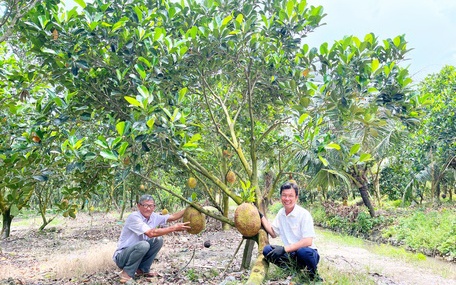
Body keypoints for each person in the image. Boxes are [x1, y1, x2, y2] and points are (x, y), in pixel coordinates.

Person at [113, 194, 191, 283]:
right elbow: (151, 233)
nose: (148, 208)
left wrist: (189, 208)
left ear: (154, 207)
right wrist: (174, 228)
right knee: (144, 245)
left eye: (151, 206)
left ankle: (142, 270)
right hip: (122, 257)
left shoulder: (153, 216)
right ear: (139, 206)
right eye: (145, 205)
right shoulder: (134, 217)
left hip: (138, 254)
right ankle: (126, 272)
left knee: (158, 240)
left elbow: (172, 217)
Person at [260, 182, 322, 281]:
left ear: (296, 198)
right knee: (267, 250)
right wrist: (261, 217)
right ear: (280, 197)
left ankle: (313, 275)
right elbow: (273, 233)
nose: (287, 199)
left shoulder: (304, 214)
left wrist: (284, 249)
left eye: (290, 196)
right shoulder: (281, 213)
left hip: (308, 254)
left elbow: (308, 241)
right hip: (291, 255)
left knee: (303, 252)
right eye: (284, 195)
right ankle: (293, 270)